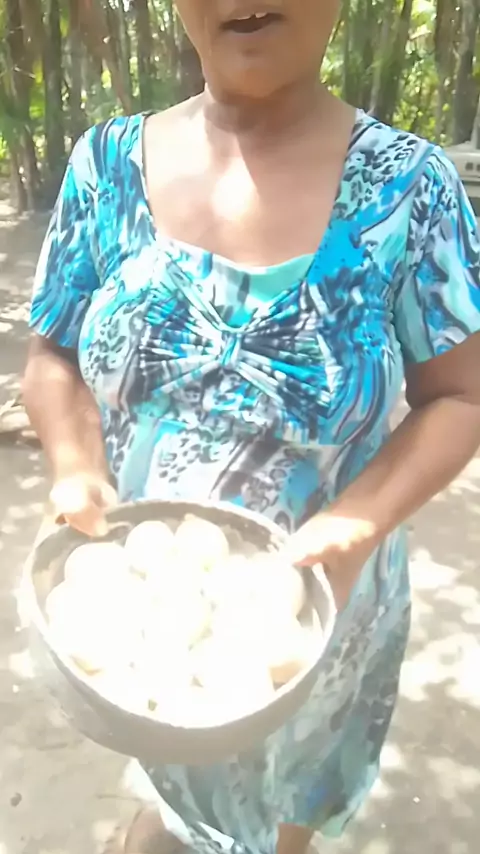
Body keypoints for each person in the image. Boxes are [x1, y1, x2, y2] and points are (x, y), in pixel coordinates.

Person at [23, 1, 480, 853]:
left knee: (283, 801)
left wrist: (355, 526)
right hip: (155, 612)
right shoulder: (104, 167)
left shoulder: (412, 191)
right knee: (180, 783)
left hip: (325, 611)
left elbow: (462, 396)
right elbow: (52, 353)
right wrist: (77, 463)